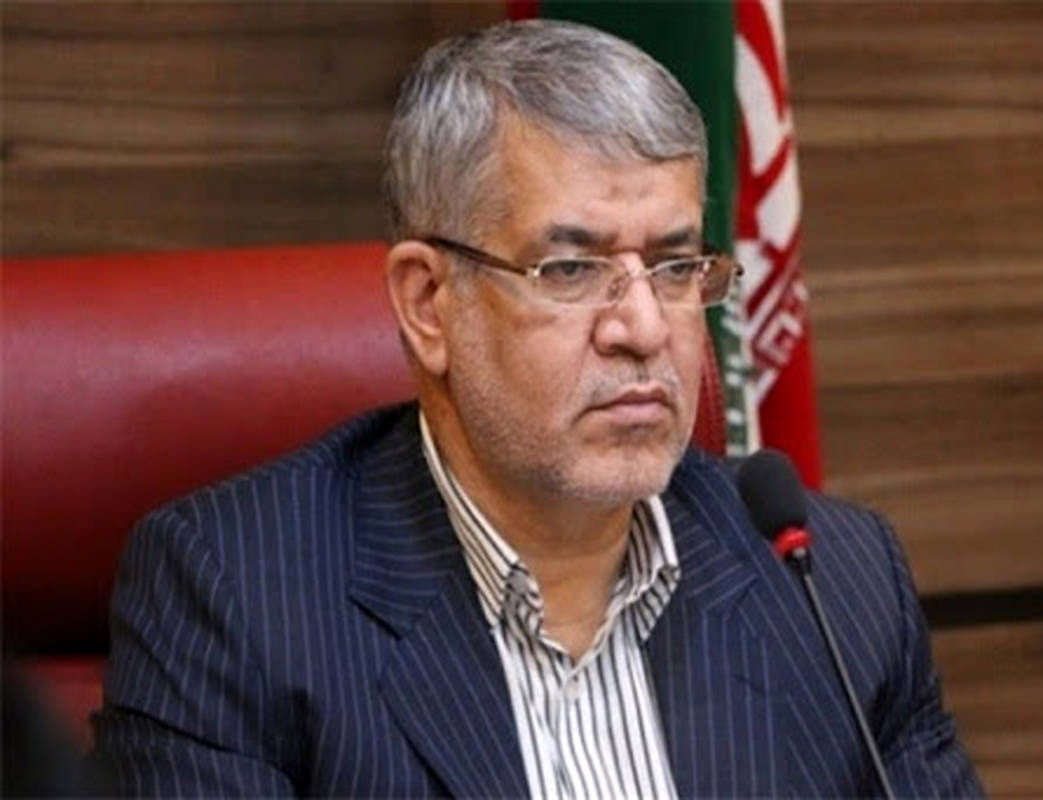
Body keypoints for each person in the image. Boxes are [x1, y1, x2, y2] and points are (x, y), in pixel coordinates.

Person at [93, 19, 982, 798]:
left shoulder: (835, 587)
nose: (644, 328)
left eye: (675, 266)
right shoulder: (234, 598)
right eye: (571, 270)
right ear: (429, 304)